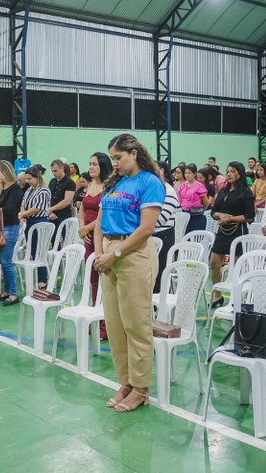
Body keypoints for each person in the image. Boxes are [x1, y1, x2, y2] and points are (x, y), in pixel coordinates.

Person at [94, 133, 164, 413]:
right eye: (112, 158)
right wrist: (101, 254)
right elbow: (99, 222)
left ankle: (141, 387)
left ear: (134, 153)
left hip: (133, 252)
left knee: (136, 325)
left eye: (119, 157)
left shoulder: (149, 182)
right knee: (115, 324)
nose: (116, 163)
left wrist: (115, 254)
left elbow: (146, 229)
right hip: (109, 252)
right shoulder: (115, 182)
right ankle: (125, 381)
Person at [209, 162, 256, 308]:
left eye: (232, 171)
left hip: (238, 231)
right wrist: (221, 215)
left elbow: (250, 216)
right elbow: (213, 212)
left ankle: (238, 297)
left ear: (239, 174)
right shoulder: (223, 191)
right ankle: (217, 294)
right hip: (222, 231)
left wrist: (230, 218)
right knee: (214, 262)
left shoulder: (246, 192)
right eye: (227, 171)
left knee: (237, 266)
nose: (228, 174)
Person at [78, 153, 112, 311]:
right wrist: (82, 229)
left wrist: (88, 228)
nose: (90, 167)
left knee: (103, 277)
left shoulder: (109, 186)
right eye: (90, 163)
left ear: (103, 166)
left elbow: (102, 215)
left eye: (95, 164)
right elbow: (82, 209)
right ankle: (95, 313)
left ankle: (105, 320)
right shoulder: (91, 184)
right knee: (92, 277)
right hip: (87, 237)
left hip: (101, 234)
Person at [0, 160, 23, 306]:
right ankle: (7, 291)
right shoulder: (1, 188)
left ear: (6, 172)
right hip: (0, 228)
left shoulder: (15, 189)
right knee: (2, 261)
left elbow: (10, 210)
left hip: (9, 228)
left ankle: (14, 294)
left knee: (7, 262)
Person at [19, 165, 51, 289]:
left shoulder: (44, 190)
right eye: (26, 179)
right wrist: (22, 215)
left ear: (37, 177)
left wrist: (22, 214)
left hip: (40, 222)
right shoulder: (29, 189)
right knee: (32, 251)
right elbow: (23, 203)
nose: (28, 181)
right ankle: (37, 277)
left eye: (30, 179)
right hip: (30, 222)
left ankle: (43, 279)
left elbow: (37, 208)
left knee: (39, 251)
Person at [153, 160, 180, 294]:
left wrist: (142, 219)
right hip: (153, 235)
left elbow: (160, 219)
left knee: (161, 274)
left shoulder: (169, 191)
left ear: (162, 170)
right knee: (153, 274)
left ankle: (161, 308)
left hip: (163, 236)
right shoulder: (155, 189)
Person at [47, 159, 76, 239]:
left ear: (62, 168)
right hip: (51, 215)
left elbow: (67, 201)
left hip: (64, 216)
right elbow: (48, 198)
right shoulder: (52, 181)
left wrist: (51, 209)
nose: (53, 173)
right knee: (52, 239)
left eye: (55, 171)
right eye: (52, 171)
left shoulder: (70, 183)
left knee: (64, 239)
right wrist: (50, 212)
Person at [177, 163, 210, 232]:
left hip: (196, 215)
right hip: (184, 214)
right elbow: (180, 199)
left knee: (195, 237)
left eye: (189, 173)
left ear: (194, 174)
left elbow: (206, 202)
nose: (187, 175)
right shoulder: (183, 185)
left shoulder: (199, 186)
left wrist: (202, 210)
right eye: (185, 173)